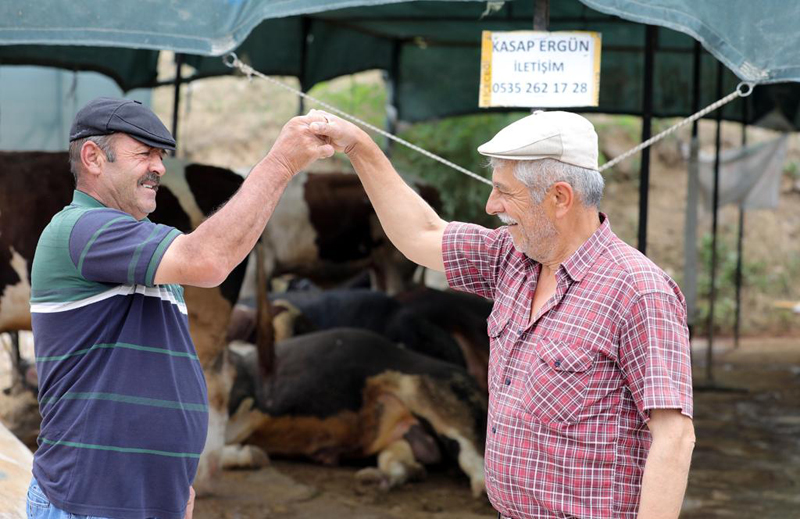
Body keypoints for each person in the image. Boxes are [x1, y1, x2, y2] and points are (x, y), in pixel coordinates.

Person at [308, 109, 695, 519]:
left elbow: (674, 437)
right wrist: (360, 147)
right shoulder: (510, 258)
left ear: (560, 198)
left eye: (505, 192)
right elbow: (419, 233)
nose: (492, 205)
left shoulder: (639, 291)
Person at [27, 98, 333, 519]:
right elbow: (210, 260)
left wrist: (171, 489)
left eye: (161, 155)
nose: (159, 167)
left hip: (146, 503)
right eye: (145, 153)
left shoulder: (144, 242)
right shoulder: (81, 228)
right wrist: (280, 164)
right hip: (91, 505)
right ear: (93, 157)